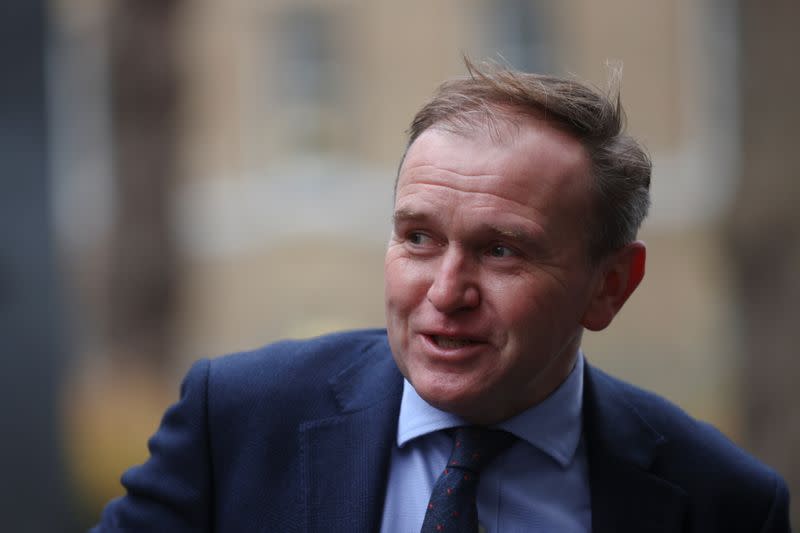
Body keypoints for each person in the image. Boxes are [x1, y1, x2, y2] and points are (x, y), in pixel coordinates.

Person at [93, 61, 791, 532]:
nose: (447, 291)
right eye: (419, 238)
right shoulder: (237, 422)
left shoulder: (719, 502)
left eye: (500, 250)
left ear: (608, 286)